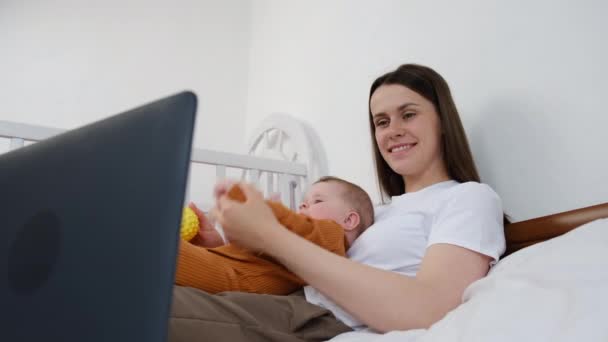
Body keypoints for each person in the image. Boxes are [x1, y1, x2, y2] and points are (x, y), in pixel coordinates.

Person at [168, 64, 506, 342]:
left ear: (443, 122)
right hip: (288, 300)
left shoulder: (468, 198)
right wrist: (225, 246)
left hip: (318, 319)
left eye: (408, 114)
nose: (393, 130)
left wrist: (271, 234)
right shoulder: (379, 211)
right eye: (382, 122)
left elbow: (430, 307)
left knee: (140, 307)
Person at [174, 176, 374, 295]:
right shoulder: (297, 241)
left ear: (349, 221)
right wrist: (215, 244)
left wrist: (262, 208)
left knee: (156, 245)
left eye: (317, 200)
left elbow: (297, 226)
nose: (303, 204)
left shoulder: (332, 237)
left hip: (234, 279)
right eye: (304, 200)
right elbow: (248, 257)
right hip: (230, 269)